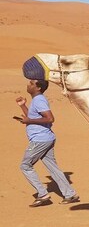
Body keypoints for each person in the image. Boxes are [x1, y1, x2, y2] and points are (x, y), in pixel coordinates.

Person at [15, 79, 79, 207]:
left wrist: (29, 121)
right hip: (46, 138)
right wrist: (23, 106)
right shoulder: (37, 100)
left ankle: (42, 194)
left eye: (32, 83)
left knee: (25, 166)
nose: (28, 85)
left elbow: (49, 118)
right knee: (52, 167)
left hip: (40, 140)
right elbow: (33, 118)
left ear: (38, 88)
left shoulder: (39, 100)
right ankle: (70, 194)